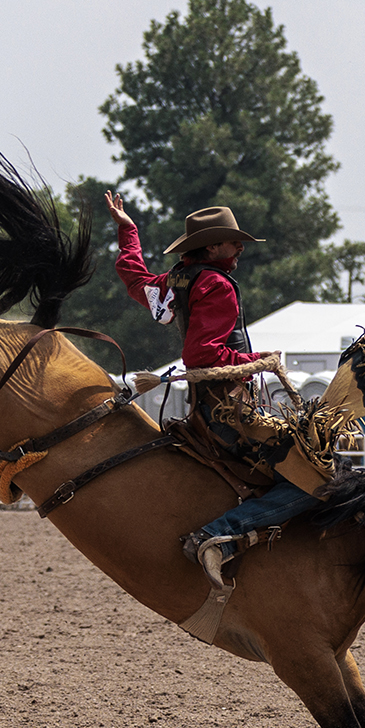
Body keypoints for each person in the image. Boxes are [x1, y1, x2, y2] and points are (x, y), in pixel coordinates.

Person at [105, 190, 319, 585]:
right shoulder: (217, 285)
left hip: (204, 407)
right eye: (232, 240)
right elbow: (203, 355)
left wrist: (128, 232)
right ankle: (219, 537)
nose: (239, 246)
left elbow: (135, 278)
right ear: (211, 246)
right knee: (316, 478)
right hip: (228, 411)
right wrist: (255, 362)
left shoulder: (178, 280)